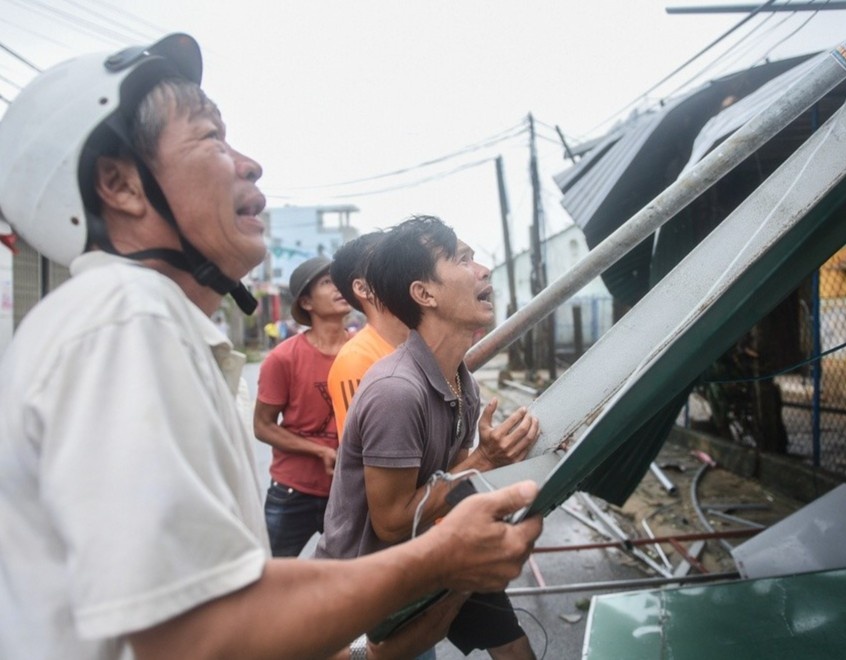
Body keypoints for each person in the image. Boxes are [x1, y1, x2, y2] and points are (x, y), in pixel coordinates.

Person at [0, 34, 543, 660]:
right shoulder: (124, 323)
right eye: (210, 136)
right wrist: (439, 558)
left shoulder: (143, 323)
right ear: (120, 184)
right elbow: (199, 637)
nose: (249, 163)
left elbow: (224, 599)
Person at [317, 216, 542, 659]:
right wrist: (484, 462)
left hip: (432, 555)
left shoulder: (462, 381)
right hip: (370, 592)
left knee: (515, 649)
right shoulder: (395, 391)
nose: (483, 271)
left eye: (476, 258)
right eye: (462, 259)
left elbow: (450, 482)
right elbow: (393, 520)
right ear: (424, 293)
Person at [255, 255, 351, 557]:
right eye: (327, 282)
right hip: (292, 492)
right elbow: (262, 426)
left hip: (349, 492)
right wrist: (319, 450)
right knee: (269, 581)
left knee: (356, 586)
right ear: (307, 303)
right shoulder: (283, 358)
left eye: (340, 280)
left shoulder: (365, 351)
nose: (339, 288)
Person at [327, 231, 410, 438]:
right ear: (363, 289)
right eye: (390, 263)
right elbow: (368, 459)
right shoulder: (355, 361)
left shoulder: (423, 345)